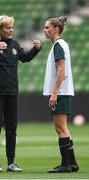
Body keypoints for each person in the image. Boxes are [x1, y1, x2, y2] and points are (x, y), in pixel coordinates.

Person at [0, 15, 41, 172]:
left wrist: (36, 49)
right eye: (8, 27)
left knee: (11, 128)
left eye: (12, 27)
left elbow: (25, 58)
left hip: (12, 92)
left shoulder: (14, 44)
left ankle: (11, 162)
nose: (11, 30)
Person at [43, 16, 79, 173]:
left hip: (60, 92)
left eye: (47, 27)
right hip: (64, 91)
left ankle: (65, 165)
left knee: (60, 128)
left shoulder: (58, 45)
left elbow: (61, 70)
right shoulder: (62, 44)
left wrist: (54, 93)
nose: (44, 30)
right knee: (64, 128)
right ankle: (72, 163)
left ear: (55, 29)